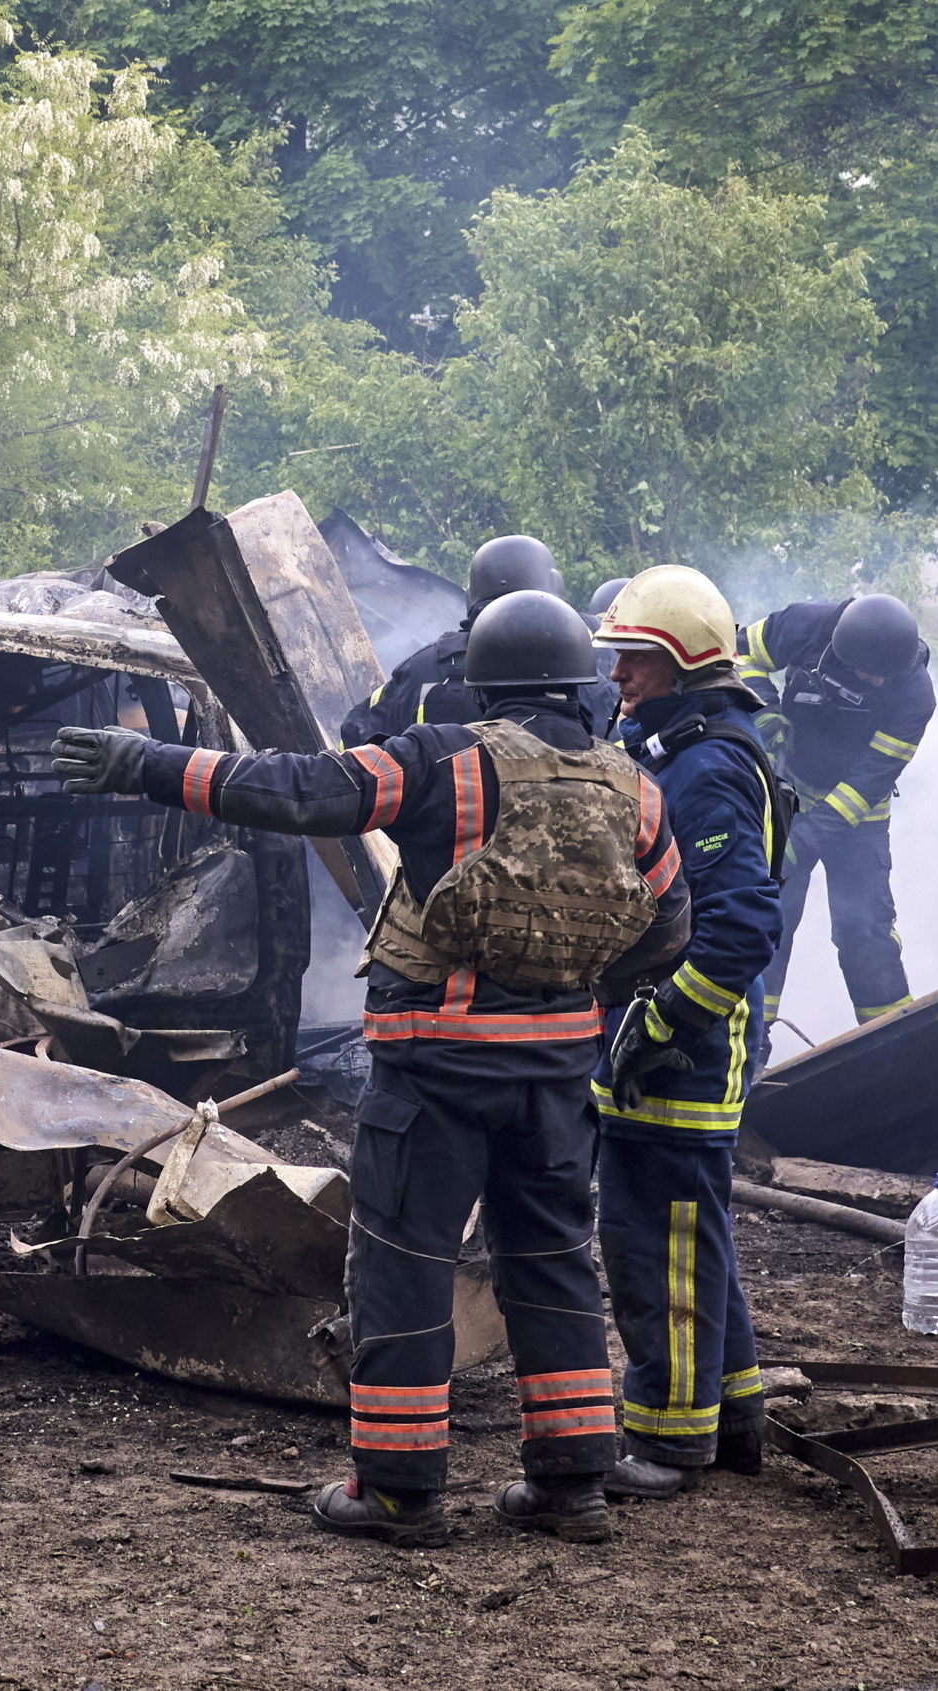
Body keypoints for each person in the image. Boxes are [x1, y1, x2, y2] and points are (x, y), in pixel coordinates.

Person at [53, 589, 690, 1550]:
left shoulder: (446, 760)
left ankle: (399, 1491)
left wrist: (150, 765)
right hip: (559, 1080)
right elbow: (670, 927)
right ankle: (571, 1484)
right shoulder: (632, 789)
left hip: (436, 1070)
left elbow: (305, 790)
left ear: (482, 683)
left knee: (403, 1267)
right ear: (579, 685)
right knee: (554, 1264)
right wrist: (568, 997)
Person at [586, 566, 787, 1496]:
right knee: (692, 1232)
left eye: (634, 658)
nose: (619, 674)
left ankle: (669, 1441)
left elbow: (741, 924)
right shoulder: (676, 742)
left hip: (688, 1047)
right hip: (660, 1033)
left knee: (655, 1239)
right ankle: (735, 1415)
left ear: (680, 662)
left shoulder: (707, 766)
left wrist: (659, 1024)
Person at [739, 594, 934, 1028]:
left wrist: (806, 838)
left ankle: (892, 1038)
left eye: (888, 676)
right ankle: (754, 1042)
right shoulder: (806, 624)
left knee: (864, 929)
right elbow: (740, 650)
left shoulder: (916, 694)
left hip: (858, 818)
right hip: (788, 794)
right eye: (869, 673)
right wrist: (765, 710)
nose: (878, 683)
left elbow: (867, 783)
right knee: (771, 921)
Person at [342, 536, 620, 742]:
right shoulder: (601, 667)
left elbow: (354, 742)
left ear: (469, 596)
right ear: (555, 585)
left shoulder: (422, 670)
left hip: (447, 820)